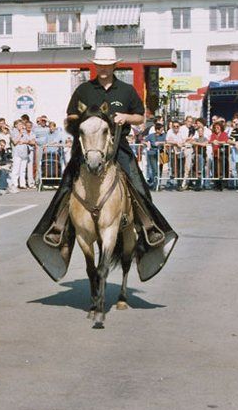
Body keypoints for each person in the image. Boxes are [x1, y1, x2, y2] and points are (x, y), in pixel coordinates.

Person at [27, 47, 177, 282]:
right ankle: (57, 228)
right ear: (95, 66)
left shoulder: (126, 91)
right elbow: (70, 117)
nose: (104, 68)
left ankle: (149, 227)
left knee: (138, 184)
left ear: (115, 66)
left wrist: (125, 118)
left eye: (108, 64)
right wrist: (87, 119)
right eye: (100, 64)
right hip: (88, 148)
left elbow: (141, 117)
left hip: (119, 147)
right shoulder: (84, 90)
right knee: (66, 185)